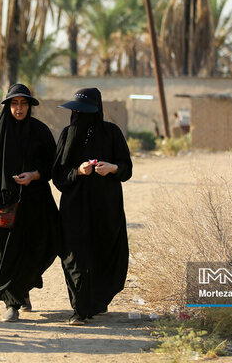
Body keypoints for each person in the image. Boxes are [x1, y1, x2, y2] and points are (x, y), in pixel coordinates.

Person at [0, 83, 60, 323]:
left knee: (33, 249)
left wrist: (34, 175)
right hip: (0, 205)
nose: (19, 108)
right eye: (14, 103)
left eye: (24, 103)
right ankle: (12, 303)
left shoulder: (40, 131)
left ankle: (23, 290)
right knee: (3, 254)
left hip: (33, 203)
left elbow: (52, 165)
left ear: (30, 106)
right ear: (8, 105)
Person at [52, 88, 133, 326]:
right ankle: (79, 309)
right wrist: (78, 171)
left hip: (106, 208)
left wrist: (111, 168)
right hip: (74, 208)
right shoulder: (67, 134)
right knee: (75, 256)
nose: (79, 115)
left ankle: (97, 302)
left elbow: (126, 167)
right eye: (77, 111)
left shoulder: (112, 132)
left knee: (103, 253)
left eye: (84, 111)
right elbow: (58, 175)